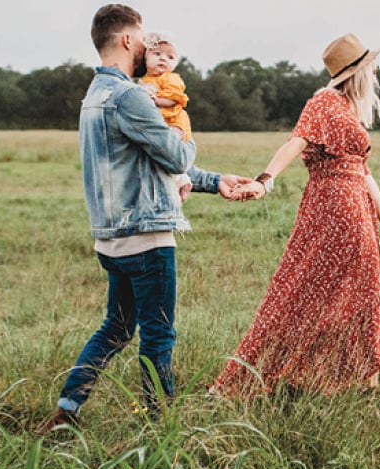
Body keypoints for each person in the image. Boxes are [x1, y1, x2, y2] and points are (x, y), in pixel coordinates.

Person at [38, 4, 250, 433]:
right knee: (159, 334)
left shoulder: (93, 96)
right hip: (146, 237)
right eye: (144, 38)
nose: (149, 47)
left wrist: (214, 181)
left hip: (111, 240)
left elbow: (147, 163)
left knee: (116, 328)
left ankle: (66, 410)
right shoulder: (131, 96)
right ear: (127, 40)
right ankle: (162, 424)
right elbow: (173, 154)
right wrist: (182, 135)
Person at [209, 33, 380, 399]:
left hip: (355, 208)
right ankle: (293, 373)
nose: (377, 71)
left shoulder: (349, 110)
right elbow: (295, 141)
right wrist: (265, 181)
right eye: (371, 66)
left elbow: (364, 174)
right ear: (356, 72)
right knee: (305, 289)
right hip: (334, 208)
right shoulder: (324, 102)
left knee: (358, 290)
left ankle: (355, 378)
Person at [139, 31, 192, 203]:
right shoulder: (144, 80)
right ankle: (182, 180)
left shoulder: (171, 78)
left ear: (175, 64)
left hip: (174, 120)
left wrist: (157, 101)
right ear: (146, 58)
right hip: (161, 121)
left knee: (170, 147)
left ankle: (178, 182)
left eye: (169, 57)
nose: (163, 59)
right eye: (157, 54)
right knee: (161, 154)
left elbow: (174, 98)